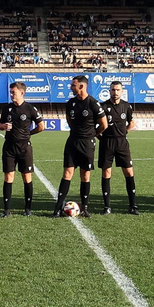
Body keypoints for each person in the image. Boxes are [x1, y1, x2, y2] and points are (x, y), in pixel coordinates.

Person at [56, 75, 106, 216]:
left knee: (85, 175)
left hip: (87, 143)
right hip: (72, 141)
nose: (71, 88)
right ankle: (58, 207)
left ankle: (84, 208)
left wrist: (92, 134)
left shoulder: (93, 103)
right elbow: (68, 119)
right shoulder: (71, 103)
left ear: (82, 86)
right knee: (67, 173)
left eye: (73, 85)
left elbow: (104, 124)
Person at [0, 81, 44, 216]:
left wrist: (29, 134)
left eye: (14, 92)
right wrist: (4, 126)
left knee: (26, 176)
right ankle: (6, 209)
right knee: (8, 176)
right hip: (9, 147)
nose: (11, 94)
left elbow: (41, 126)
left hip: (25, 147)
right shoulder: (7, 108)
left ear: (22, 93)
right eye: (11, 92)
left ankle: (27, 209)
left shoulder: (30, 108)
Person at [98, 80, 137, 214]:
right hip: (107, 143)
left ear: (122, 91)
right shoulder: (102, 106)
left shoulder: (126, 106)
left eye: (118, 90)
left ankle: (133, 206)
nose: (115, 92)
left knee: (128, 172)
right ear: (109, 91)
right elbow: (95, 125)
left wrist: (124, 132)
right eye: (113, 90)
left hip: (122, 143)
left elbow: (131, 123)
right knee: (106, 172)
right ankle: (107, 206)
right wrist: (100, 136)